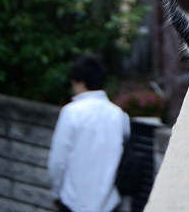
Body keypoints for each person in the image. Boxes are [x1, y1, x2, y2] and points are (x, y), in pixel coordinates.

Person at [47, 55, 130, 212]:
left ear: (80, 82)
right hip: (110, 203)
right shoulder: (119, 115)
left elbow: (57, 161)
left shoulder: (71, 112)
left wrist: (57, 193)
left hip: (73, 201)